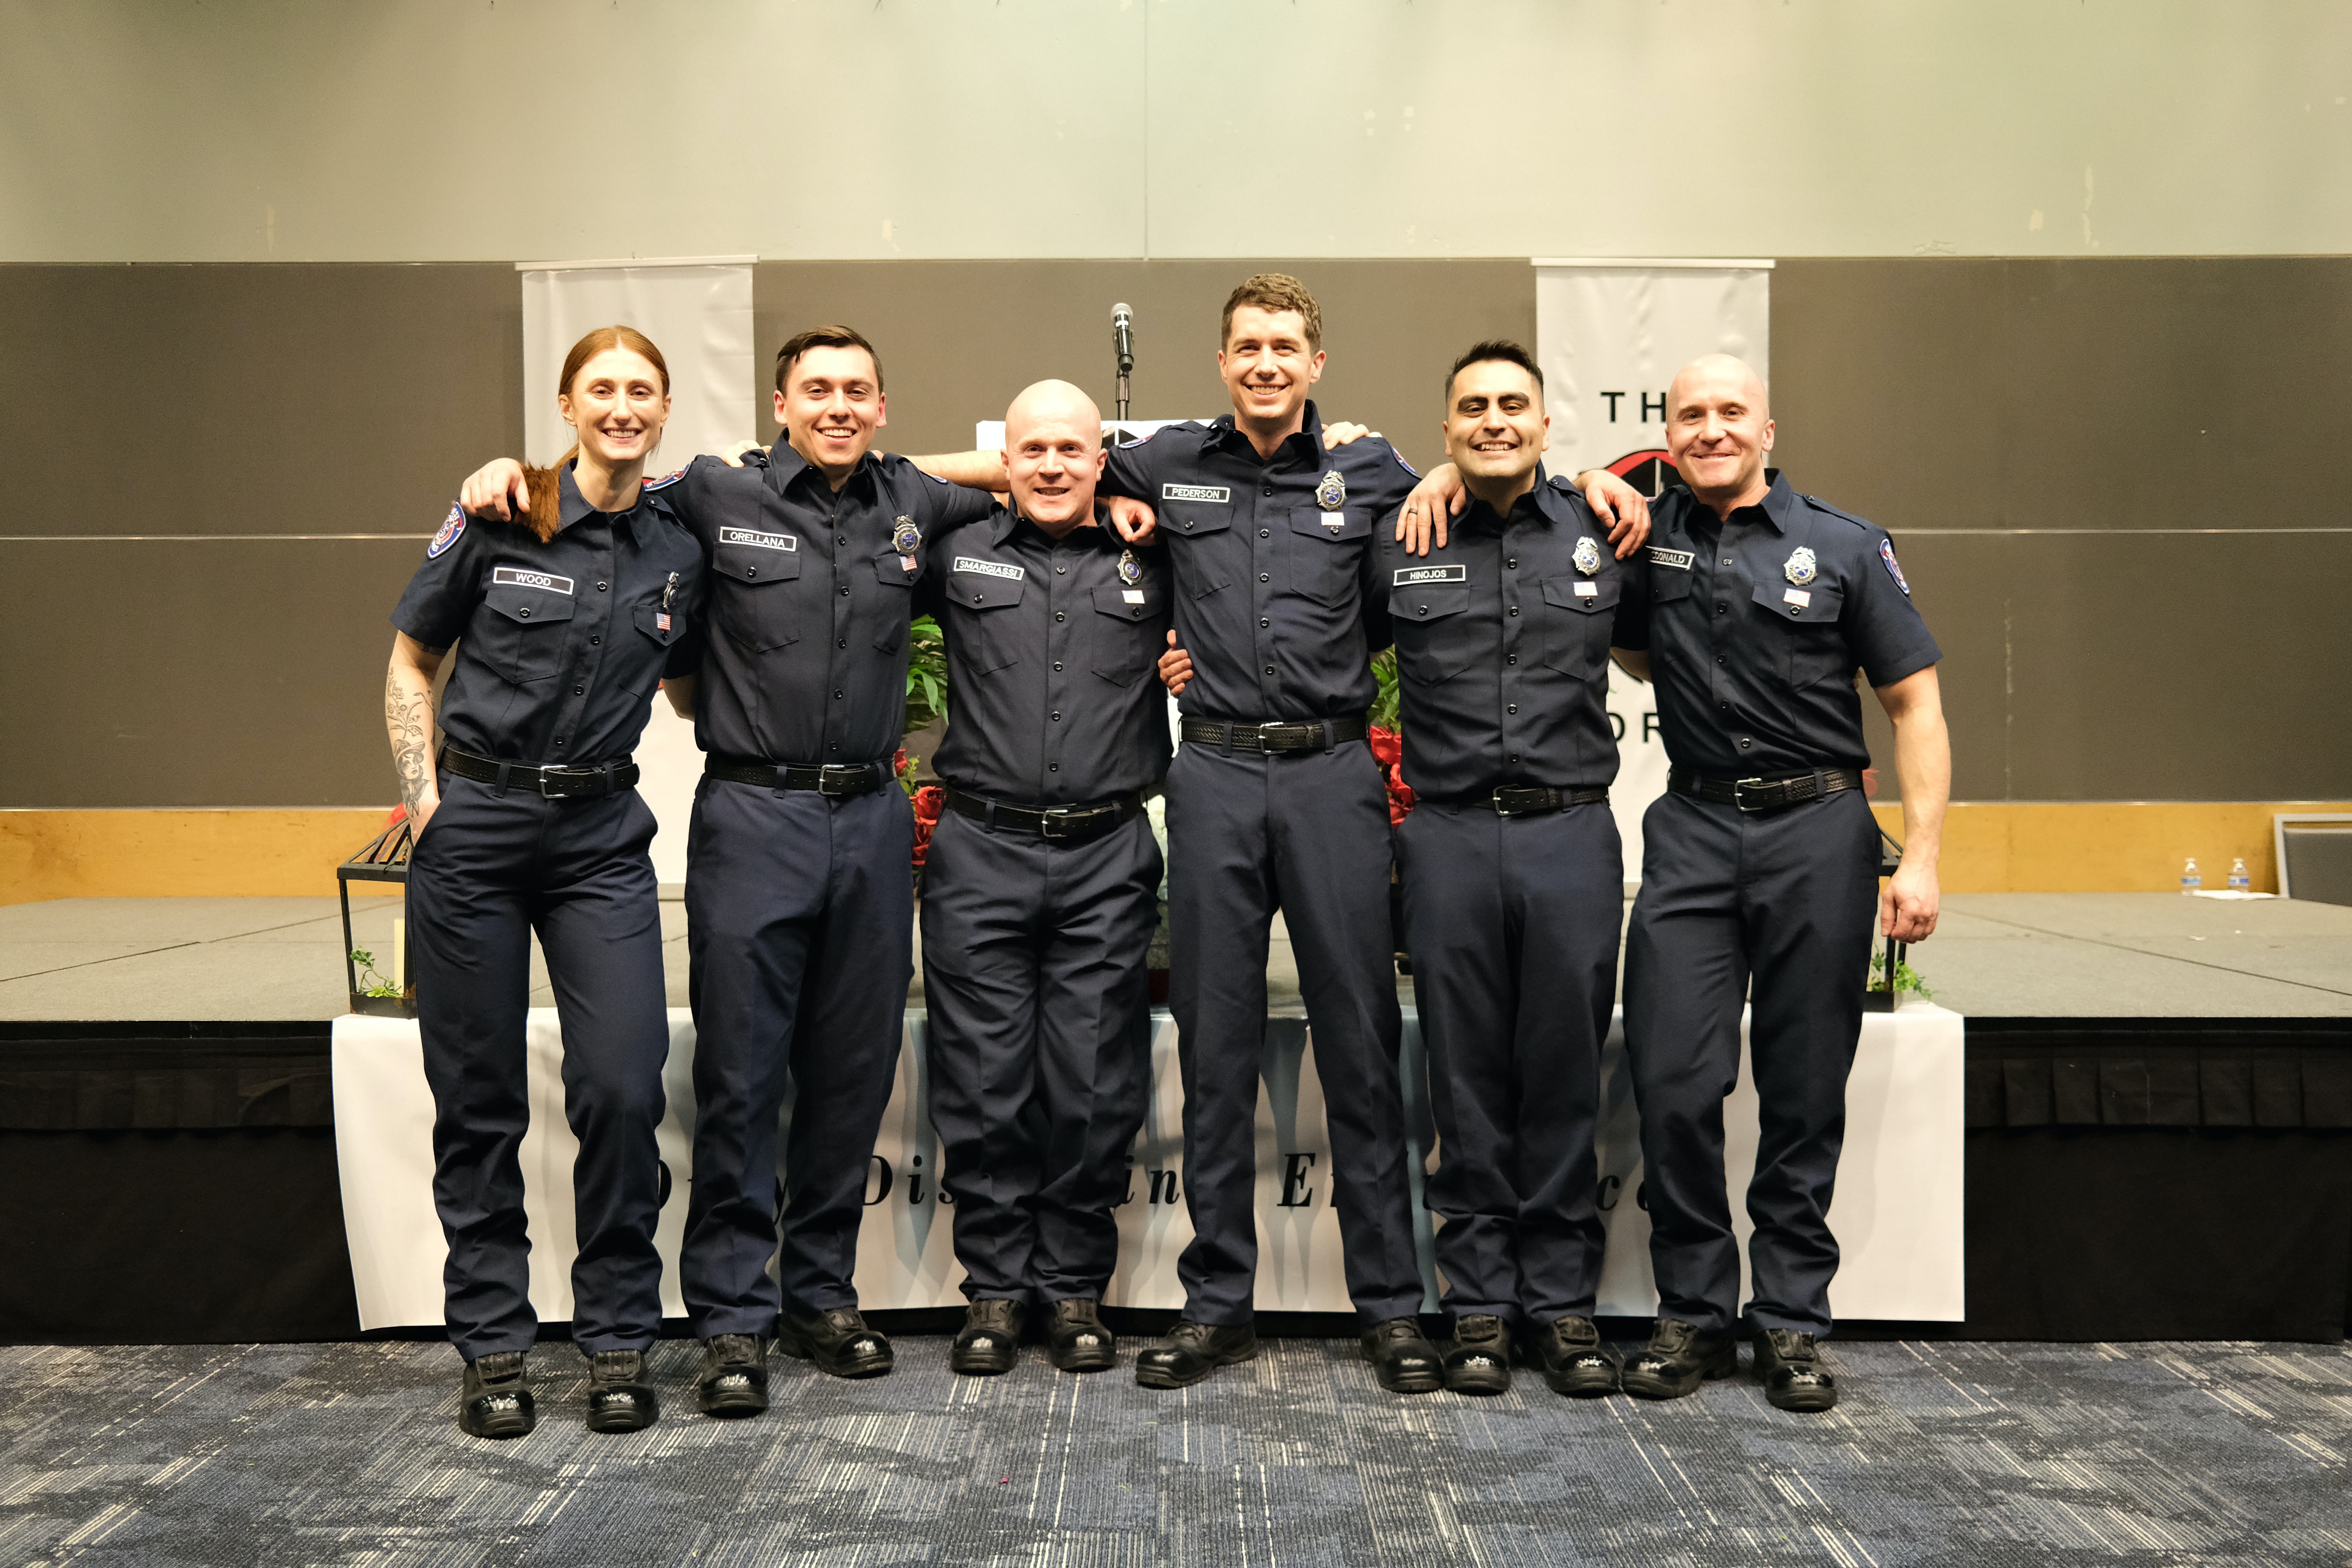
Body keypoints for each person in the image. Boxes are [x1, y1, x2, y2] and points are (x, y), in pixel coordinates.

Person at [458, 326, 1017, 1412]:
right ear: (780, 401)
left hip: (869, 818)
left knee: (851, 1076)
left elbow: (1036, 462)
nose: (839, 406)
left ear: (885, 408)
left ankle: (819, 1296)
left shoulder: (915, 500)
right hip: (752, 814)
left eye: (859, 390)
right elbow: (601, 474)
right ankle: (729, 1317)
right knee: (744, 1077)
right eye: (818, 390)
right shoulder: (715, 491)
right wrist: (505, 472)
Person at [1123, 276, 1653, 1392]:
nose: (1267, 364)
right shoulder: (1170, 461)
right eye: (1248, 348)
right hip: (1213, 768)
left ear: (1319, 366)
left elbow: (1490, 477)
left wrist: (1466, 465)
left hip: (1332, 774)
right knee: (1215, 1052)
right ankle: (1217, 1299)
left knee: (1362, 1047)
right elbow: (1044, 461)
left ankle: (1393, 1306)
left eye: (1287, 348)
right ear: (1223, 363)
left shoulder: (1379, 476)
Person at [1609, 354, 1948, 1412]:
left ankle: (1792, 1321)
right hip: (1696, 828)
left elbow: (1915, 706)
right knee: (1670, 1080)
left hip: (1819, 833)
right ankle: (1694, 1314)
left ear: (1768, 428)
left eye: (1730, 413)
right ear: (1668, 432)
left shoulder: (1845, 544)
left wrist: (1923, 852)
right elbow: (1624, 645)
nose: (1710, 430)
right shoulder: (1642, 538)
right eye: (1690, 415)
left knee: (1803, 1091)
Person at [386, 325, 705, 1439]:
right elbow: (412, 657)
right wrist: (427, 802)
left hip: (599, 838)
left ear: (664, 412)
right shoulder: (499, 509)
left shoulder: (681, 542)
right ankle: (494, 1344)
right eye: (601, 389)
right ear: (568, 406)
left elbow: (695, 691)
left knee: (622, 1086)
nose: (622, 406)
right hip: (473, 830)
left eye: (642, 392)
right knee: (479, 1102)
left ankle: (618, 1334)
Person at [1372, 341, 1642, 1398]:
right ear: (1445, 430)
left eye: (1513, 406)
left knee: (1566, 1070)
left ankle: (1562, 1308)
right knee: (1466, 1074)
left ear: (1544, 424)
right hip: (1445, 838)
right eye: (1473, 408)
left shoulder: (1605, 524)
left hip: (1571, 834)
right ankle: (1480, 1304)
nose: (1494, 421)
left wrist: (1625, 484)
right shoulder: (1401, 534)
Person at [911, 380, 1173, 1376]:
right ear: (1005, 461)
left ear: (1101, 460)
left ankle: (1070, 1288)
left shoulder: (1154, 552)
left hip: (1108, 852)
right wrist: (989, 465)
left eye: (1074, 449)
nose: (1055, 466)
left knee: (1092, 1077)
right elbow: (879, 481)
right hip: (983, 847)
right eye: (1034, 452)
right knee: (982, 1079)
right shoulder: (958, 548)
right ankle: (992, 1288)